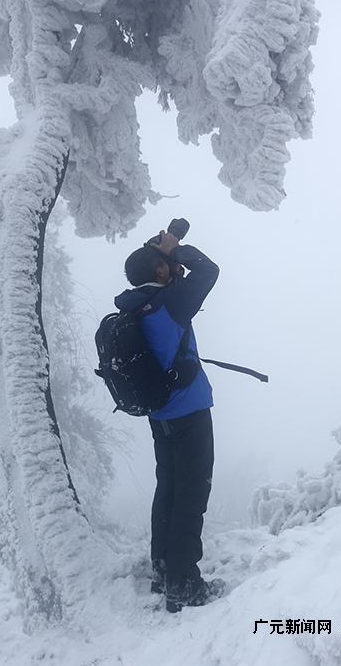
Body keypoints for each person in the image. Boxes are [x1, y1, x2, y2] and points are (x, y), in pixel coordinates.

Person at [114, 228, 225, 613]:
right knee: (191, 496)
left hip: (159, 416)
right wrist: (177, 249)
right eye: (167, 264)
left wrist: (166, 253)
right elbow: (208, 271)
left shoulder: (137, 305)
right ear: (161, 271)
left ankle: (164, 569)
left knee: (169, 491)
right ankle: (184, 584)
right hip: (188, 412)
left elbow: (175, 278)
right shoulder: (170, 303)